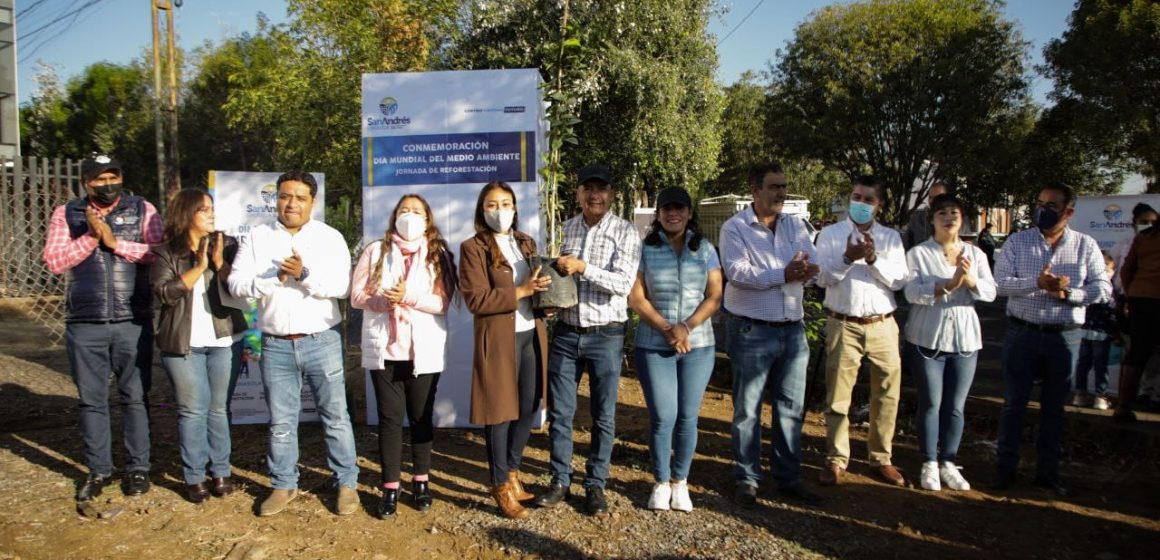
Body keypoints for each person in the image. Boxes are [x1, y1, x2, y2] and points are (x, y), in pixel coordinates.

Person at [227, 171, 360, 516]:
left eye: (300, 198)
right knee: (282, 420)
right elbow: (236, 284)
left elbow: (343, 287)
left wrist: (305, 275)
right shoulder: (257, 237)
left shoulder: (330, 238)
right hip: (275, 345)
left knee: (335, 416)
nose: (291, 204)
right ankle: (283, 484)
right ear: (276, 199)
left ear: (312, 202)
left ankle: (346, 483)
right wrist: (274, 278)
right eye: (285, 196)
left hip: (322, 340)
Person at [43, 154, 161, 502]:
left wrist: (115, 242)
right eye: (99, 179)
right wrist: (91, 239)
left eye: (114, 176)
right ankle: (99, 471)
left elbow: (159, 253)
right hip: (86, 323)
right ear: (86, 183)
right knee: (92, 402)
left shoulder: (143, 209)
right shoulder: (66, 214)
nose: (108, 184)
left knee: (135, 398)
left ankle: (138, 468)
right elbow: (54, 261)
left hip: (132, 320)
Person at [534, 163, 642, 517]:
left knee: (602, 415)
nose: (594, 195)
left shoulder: (625, 232)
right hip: (566, 333)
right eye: (587, 188)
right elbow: (559, 277)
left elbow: (623, 285)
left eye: (601, 189)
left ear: (611, 194)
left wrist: (582, 268)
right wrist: (550, 301)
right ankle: (560, 480)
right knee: (562, 413)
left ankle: (595, 485)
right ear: (578, 193)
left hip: (606, 335)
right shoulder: (567, 227)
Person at [991, 182, 1111, 495]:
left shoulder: (1085, 246)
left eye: (1051, 205)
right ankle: (1006, 469)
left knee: (1054, 410)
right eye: (1040, 203)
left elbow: (1104, 289)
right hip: (1023, 334)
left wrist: (1068, 293)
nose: (1042, 210)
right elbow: (1000, 284)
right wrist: (1037, 283)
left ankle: (1047, 473)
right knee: (1014, 404)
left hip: (1064, 338)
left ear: (1069, 212)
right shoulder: (1018, 241)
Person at [718, 162, 822, 507]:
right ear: (755, 190)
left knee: (791, 407)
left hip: (792, 328)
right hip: (751, 329)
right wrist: (784, 272)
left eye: (783, 186)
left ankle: (789, 478)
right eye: (774, 186)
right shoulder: (735, 228)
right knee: (748, 409)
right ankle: (746, 478)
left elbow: (812, 263)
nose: (781, 193)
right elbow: (737, 272)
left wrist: (802, 272)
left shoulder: (795, 225)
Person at [350, 194, 456, 519]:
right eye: (404, 211)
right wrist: (382, 301)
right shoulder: (375, 251)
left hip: (423, 352)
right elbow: (355, 295)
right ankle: (390, 486)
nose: (409, 216)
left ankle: (421, 481)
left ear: (428, 220)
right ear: (394, 216)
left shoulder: (437, 255)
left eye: (417, 212)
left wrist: (407, 296)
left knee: (421, 417)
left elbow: (442, 303)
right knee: (390, 420)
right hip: (386, 350)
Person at [459, 182, 552, 519]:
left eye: (506, 203)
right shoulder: (473, 248)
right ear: (482, 210)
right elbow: (476, 299)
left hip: (530, 333)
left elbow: (536, 287)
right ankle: (499, 484)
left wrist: (545, 301)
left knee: (529, 406)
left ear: (515, 207)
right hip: (499, 339)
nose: (500, 211)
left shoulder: (525, 242)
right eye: (492, 205)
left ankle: (512, 471)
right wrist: (523, 290)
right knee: (499, 412)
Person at [628, 186, 723, 512]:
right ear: (658, 214)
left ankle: (680, 482)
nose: (673, 214)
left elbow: (714, 295)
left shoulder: (705, 249)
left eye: (679, 209)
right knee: (663, 416)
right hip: (654, 345)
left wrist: (687, 327)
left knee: (687, 417)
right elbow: (636, 298)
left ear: (689, 213)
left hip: (698, 346)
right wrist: (668, 329)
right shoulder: (646, 248)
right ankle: (660, 480)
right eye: (667, 209)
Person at [151, 188, 247, 503]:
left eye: (212, 208)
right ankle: (194, 476)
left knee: (218, 409)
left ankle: (220, 470)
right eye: (203, 209)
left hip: (224, 340)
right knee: (193, 410)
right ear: (186, 214)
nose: (211, 214)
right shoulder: (167, 251)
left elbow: (242, 290)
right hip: (183, 345)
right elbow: (165, 294)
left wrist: (219, 263)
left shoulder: (229, 245)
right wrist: (198, 266)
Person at [815, 175, 909, 487]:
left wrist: (871, 259)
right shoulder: (830, 234)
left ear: (879, 205)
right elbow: (822, 278)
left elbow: (899, 281)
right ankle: (836, 458)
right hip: (843, 322)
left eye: (868, 200)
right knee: (838, 396)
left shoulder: (891, 238)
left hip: (882, 323)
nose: (861, 204)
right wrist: (846, 258)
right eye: (857, 196)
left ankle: (881, 458)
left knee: (886, 393)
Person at [903, 194, 996, 492]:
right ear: (932, 219)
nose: (949, 218)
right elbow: (911, 293)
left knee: (956, 406)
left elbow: (991, 293)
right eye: (942, 213)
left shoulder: (976, 254)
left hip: (965, 339)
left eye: (954, 212)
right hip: (927, 337)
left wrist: (970, 282)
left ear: (963, 218)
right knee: (931, 402)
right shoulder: (919, 253)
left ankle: (948, 462)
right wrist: (948, 285)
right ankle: (929, 461)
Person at [1115, 219, 1160, 422]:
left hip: (1141, 298)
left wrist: (1131, 293)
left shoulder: (1143, 237)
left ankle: (1123, 406)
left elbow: (1126, 270)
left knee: (1136, 354)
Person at [1072, 253, 1118, 411]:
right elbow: (1112, 312)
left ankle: (1080, 394)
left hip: (1085, 330)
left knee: (1083, 364)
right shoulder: (1108, 288)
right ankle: (1100, 396)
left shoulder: (1086, 286)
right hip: (1102, 332)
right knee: (1100, 365)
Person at [903, 181, 949, 250]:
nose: (932, 201)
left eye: (938, 197)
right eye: (930, 197)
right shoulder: (917, 218)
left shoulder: (955, 219)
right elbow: (905, 246)